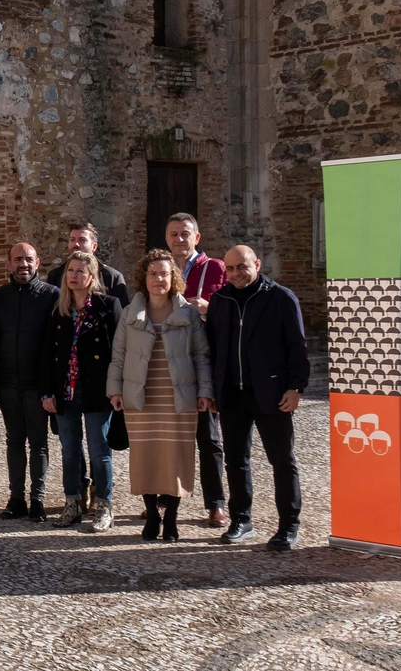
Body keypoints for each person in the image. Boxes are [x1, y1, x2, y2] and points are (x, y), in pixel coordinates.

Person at [107, 250, 213, 542]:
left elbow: (201, 355)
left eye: (164, 273)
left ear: (173, 277)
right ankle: (152, 516)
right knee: (147, 457)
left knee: (176, 458)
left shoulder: (188, 313)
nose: (159, 279)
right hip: (141, 395)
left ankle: (172, 519)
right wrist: (115, 389)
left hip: (178, 396)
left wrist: (205, 391)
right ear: (144, 277)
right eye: (153, 273)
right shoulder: (130, 313)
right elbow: (118, 355)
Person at [207, 246, 309, 551]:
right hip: (232, 395)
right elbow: (212, 348)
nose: (236, 273)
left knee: (282, 461)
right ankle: (241, 519)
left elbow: (297, 346)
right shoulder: (220, 300)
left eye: (242, 267)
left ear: (257, 265)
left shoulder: (280, 298)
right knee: (236, 461)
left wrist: (296, 387)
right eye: (231, 268)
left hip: (272, 393)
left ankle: (289, 525)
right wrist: (213, 389)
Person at [40, 251, 123, 532]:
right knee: (70, 451)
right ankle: (72, 504)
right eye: (70, 270)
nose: (74, 275)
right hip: (65, 393)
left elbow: (117, 353)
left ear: (92, 276)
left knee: (100, 451)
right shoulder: (58, 309)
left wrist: (115, 389)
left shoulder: (108, 306)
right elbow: (47, 355)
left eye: (80, 271)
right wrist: (47, 392)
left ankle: (104, 506)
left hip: (97, 391)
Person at [166, 212, 229, 528]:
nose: (179, 239)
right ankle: (166, 501)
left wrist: (209, 307)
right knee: (170, 438)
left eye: (185, 233)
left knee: (208, 437)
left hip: (201, 362)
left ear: (197, 237)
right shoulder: (160, 270)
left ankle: (216, 504)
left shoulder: (214, 267)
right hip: (167, 364)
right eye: (174, 233)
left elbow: (231, 308)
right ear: (167, 239)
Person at [0, 242, 59, 521]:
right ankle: (16, 498)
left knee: (39, 443)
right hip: (7, 384)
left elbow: (56, 345)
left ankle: (38, 500)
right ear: (8, 264)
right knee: (14, 441)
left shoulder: (51, 296)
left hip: (37, 385)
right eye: (18, 259)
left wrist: (50, 387)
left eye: (29, 259)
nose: (23, 264)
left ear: (38, 262)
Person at [44, 222, 132, 307]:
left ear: (94, 247)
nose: (76, 244)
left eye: (82, 240)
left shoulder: (112, 277)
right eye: (72, 239)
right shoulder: (55, 275)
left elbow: (122, 315)